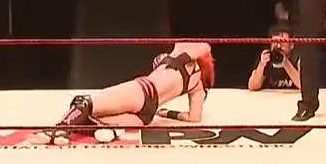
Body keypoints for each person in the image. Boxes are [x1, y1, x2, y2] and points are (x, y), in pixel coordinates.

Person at [46, 42, 214, 137]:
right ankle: (83, 132)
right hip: (146, 115)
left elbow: (205, 46)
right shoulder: (197, 86)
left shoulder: (183, 50)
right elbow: (194, 118)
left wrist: (180, 59)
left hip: (143, 91)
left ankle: (58, 130)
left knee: (84, 103)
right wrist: (166, 113)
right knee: (97, 123)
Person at [248, 26, 300, 91]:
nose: (278, 46)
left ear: (291, 44)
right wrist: (262, 65)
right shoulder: (266, 59)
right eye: (275, 42)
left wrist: (286, 63)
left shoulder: (297, 59)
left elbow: (303, 85)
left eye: (282, 42)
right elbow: (252, 86)